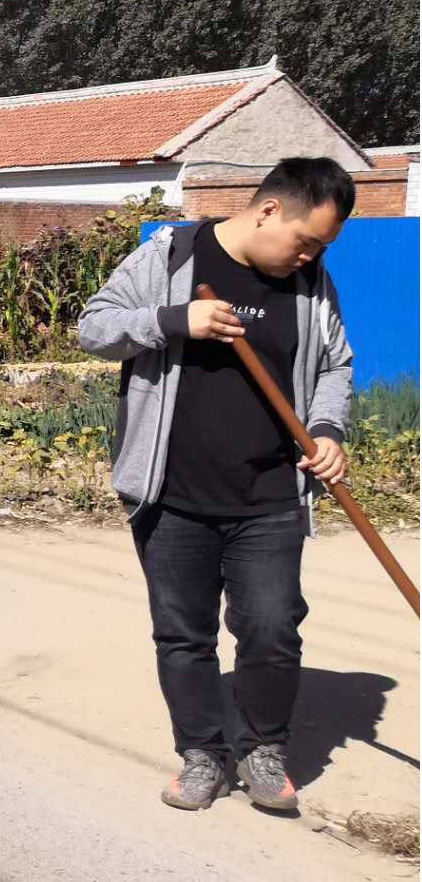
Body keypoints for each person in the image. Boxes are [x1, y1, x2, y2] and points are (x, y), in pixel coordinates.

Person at [78, 157, 355, 815]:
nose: (310, 255)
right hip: (171, 493)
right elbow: (94, 328)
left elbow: (335, 365)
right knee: (184, 634)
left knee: (273, 626)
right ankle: (203, 754)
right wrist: (176, 321)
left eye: (321, 246)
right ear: (269, 210)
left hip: (270, 494)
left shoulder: (310, 282)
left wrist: (327, 430)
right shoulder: (171, 258)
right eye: (306, 240)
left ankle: (263, 750)